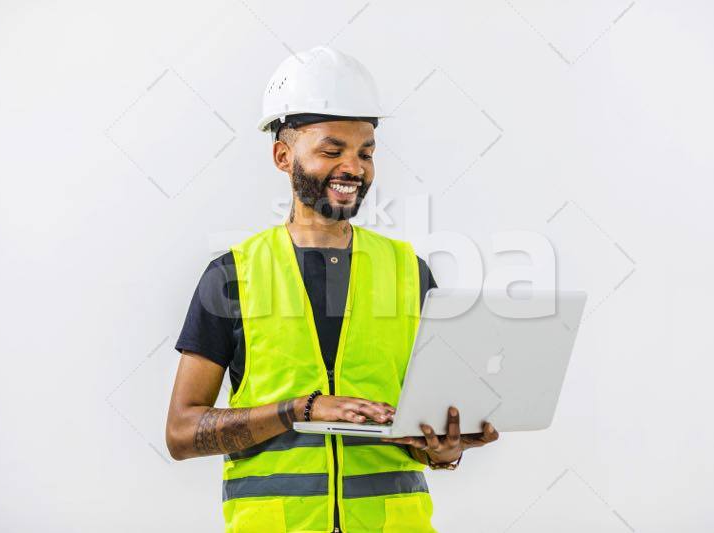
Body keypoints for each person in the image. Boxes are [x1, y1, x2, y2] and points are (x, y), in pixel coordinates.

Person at [165, 45, 499, 533]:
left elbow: (421, 427)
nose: (354, 168)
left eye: (366, 153)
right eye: (331, 150)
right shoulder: (232, 275)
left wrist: (444, 450)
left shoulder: (409, 271)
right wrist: (299, 410)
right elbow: (181, 433)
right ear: (283, 156)